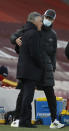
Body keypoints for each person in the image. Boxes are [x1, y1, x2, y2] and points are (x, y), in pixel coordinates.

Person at [10, 10, 64, 129]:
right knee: (24, 93)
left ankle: (54, 120)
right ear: (43, 16)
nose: (48, 20)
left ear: (53, 20)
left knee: (50, 95)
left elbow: (53, 54)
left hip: (46, 70)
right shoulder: (33, 30)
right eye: (46, 17)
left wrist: (53, 67)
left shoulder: (53, 35)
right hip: (33, 67)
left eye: (50, 18)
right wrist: (15, 40)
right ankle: (18, 118)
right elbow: (13, 36)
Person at [11, 12, 46, 128]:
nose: (42, 23)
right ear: (35, 21)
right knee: (28, 96)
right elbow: (35, 53)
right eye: (40, 21)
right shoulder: (34, 34)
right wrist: (42, 65)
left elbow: (18, 49)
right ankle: (24, 121)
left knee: (25, 95)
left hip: (23, 69)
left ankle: (22, 119)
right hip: (31, 70)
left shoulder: (24, 33)